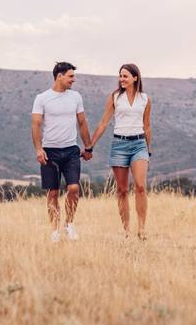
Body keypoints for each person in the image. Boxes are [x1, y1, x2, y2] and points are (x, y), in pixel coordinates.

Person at [88, 63, 152, 239]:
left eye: (125, 76)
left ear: (135, 78)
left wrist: (148, 149)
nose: (121, 79)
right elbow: (104, 122)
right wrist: (90, 145)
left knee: (140, 187)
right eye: (120, 76)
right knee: (122, 190)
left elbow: (147, 126)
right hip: (119, 145)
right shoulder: (115, 97)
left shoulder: (145, 99)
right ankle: (126, 230)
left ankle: (142, 228)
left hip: (139, 144)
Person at [31, 61, 93, 242]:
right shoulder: (42, 98)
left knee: (74, 188)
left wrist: (88, 146)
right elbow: (35, 124)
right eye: (71, 76)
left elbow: (82, 123)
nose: (74, 80)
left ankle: (69, 224)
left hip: (71, 150)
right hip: (50, 152)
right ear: (60, 76)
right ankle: (55, 230)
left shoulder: (76, 97)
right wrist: (38, 149)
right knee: (53, 193)